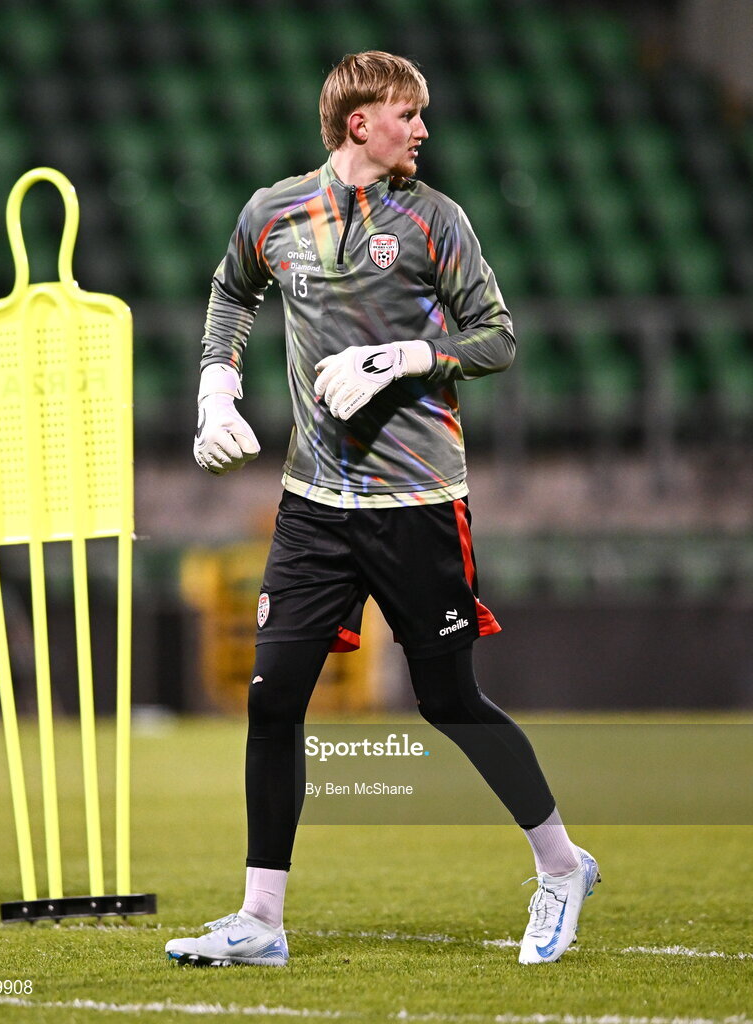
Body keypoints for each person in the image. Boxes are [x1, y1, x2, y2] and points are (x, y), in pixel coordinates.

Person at [165, 51, 599, 969]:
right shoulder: (271, 212)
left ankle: (561, 868)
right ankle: (260, 920)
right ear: (359, 122)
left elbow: (496, 338)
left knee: (448, 698)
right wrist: (214, 387)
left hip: (417, 502)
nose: (423, 130)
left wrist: (401, 357)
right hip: (312, 505)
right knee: (273, 699)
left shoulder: (437, 219)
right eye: (410, 114)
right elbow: (230, 292)